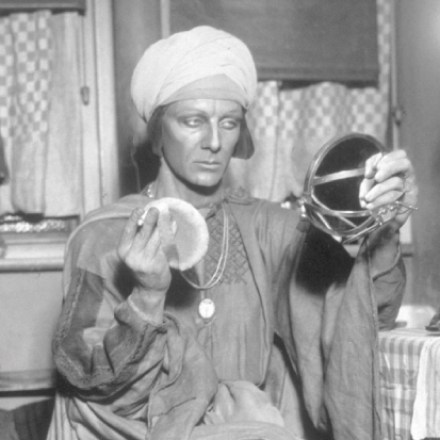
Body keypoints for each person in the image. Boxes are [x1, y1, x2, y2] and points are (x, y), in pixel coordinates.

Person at [48, 26, 417, 440]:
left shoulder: (267, 227)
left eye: (229, 123)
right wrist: (147, 298)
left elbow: (359, 316)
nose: (214, 141)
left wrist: (384, 229)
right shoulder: (103, 237)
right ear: (156, 135)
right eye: (192, 121)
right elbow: (90, 379)